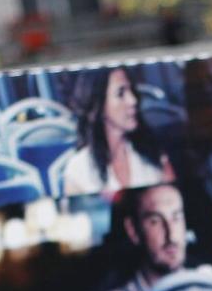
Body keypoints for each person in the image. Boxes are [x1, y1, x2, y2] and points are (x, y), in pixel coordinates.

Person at [63, 66, 175, 197]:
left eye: (132, 90)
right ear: (98, 104)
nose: (133, 100)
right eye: (120, 93)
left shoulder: (153, 154)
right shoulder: (78, 171)